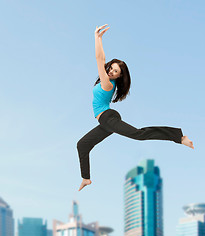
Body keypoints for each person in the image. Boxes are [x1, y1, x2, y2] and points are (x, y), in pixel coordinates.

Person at [77, 24, 194, 191]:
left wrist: (97, 38)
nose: (110, 71)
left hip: (108, 118)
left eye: (115, 71)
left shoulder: (108, 84)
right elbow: (103, 62)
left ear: (119, 76)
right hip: (105, 122)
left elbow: (99, 59)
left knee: (138, 135)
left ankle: (178, 137)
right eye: (111, 68)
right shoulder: (106, 80)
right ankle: (86, 178)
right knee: (82, 145)